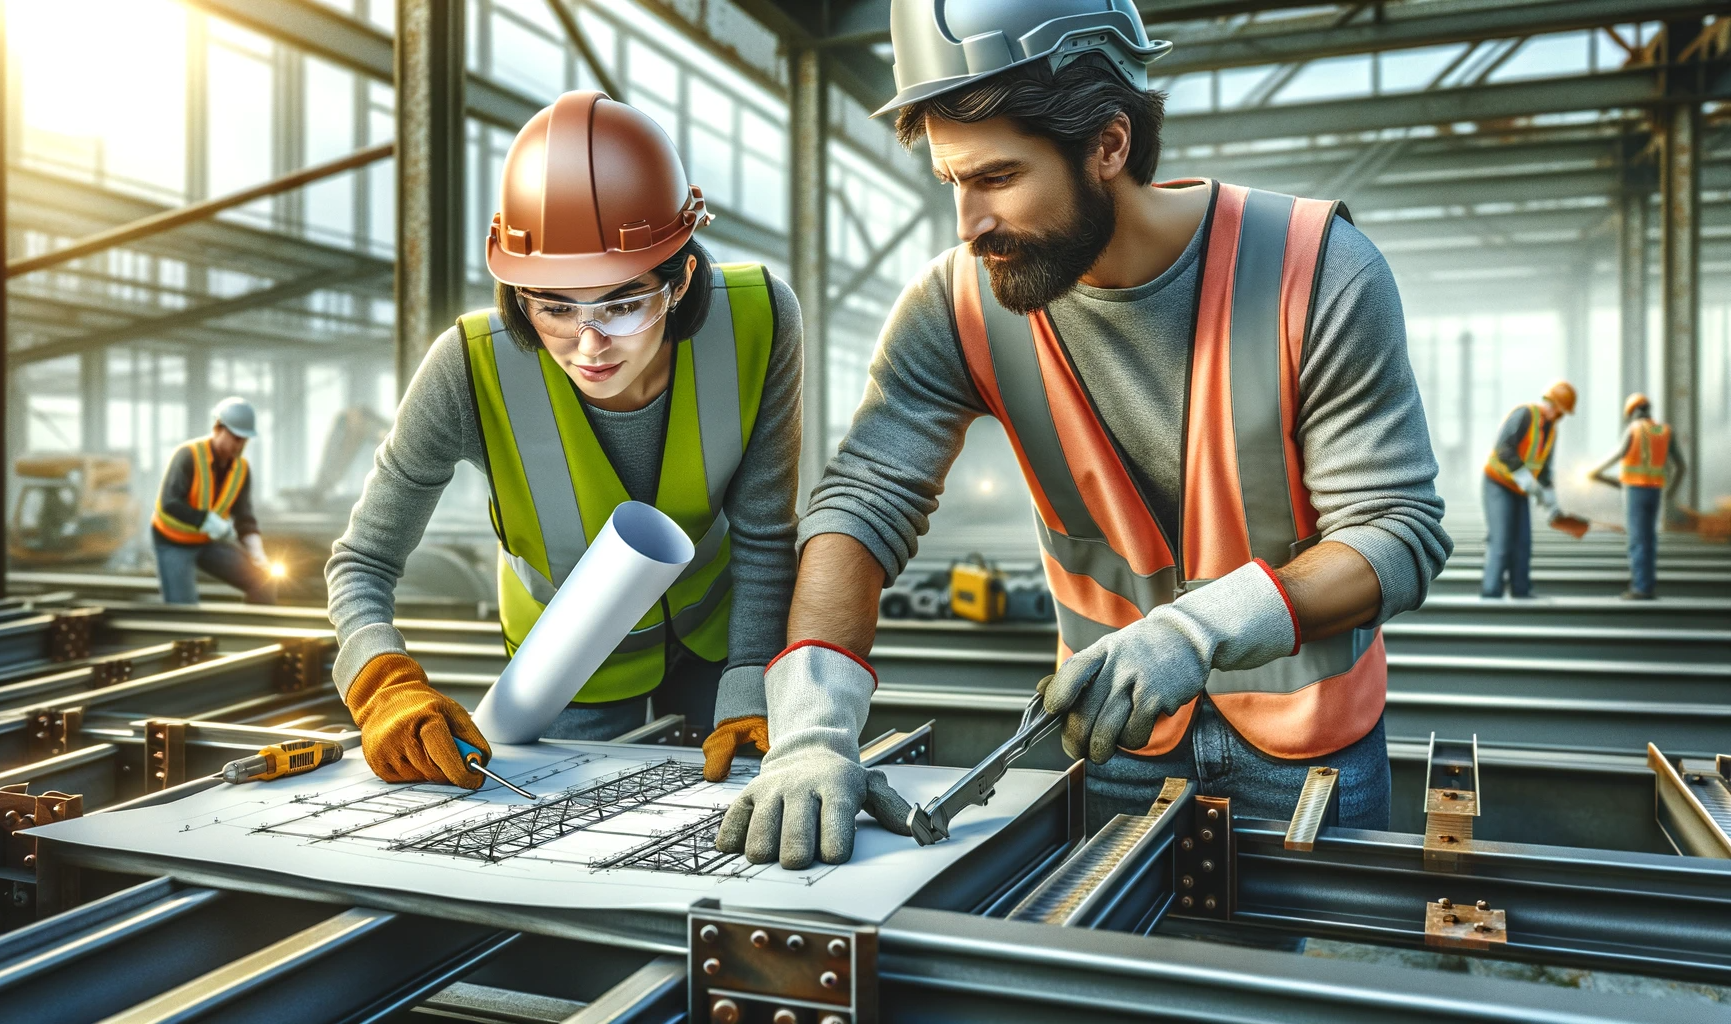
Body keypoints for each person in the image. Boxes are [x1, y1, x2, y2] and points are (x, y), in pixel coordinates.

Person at [715, 0, 1451, 871]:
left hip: (1312, 751)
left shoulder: (1317, 270)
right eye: (953, 182)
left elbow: (1396, 533)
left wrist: (1194, 633)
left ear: (1108, 145)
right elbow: (864, 503)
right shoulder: (955, 307)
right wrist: (813, 725)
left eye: (996, 177)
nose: (967, 223)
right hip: (1114, 748)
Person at [325, 91, 801, 791]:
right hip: (562, 667)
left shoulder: (758, 322)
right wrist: (383, 683)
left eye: (622, 302)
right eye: (553, 306)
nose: (589, 346)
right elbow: (361, 561)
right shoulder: (468, 369)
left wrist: (750, 686)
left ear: (681, 279)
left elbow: (765, 534)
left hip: (721, 639)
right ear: (518, 293)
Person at [151, 396, 277, 605]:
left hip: (207, 541)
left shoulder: (241, 470)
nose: (240, 445)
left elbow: (244, 515)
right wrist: (207, 520)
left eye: (244, 440)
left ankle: (255, 633)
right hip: (173, 541)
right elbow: (169, 502)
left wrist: (256, 550)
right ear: (218, 428)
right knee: (183, 609)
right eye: (236, 438)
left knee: (263, 580)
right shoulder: (188, 455)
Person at [1480, 381, 1576, 599]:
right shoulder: (1525, 415)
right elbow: (1503, 448)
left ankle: (1521, 590)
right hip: (1498, 483)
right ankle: (1491, 593)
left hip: (1520, 489)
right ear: (1551, 402)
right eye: (1558, 408)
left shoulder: (1551, 430)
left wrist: (1551, 501)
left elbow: (1543, 469)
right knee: (1501, 540)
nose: (1558, 414)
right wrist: (1524, 477)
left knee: (1522, 542)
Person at [1589, 393, 1686, 600]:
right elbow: (1681, 467)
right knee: (1649, 538)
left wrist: (1593, 471)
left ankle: (1641, 588)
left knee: (1637, 540)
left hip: (1635, 491)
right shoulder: (1665, 431)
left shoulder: (1634, 429)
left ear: (1632, 412)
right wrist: (1671, 492)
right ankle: (1647, 584)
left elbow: (1618, 454)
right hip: (1655, 491)